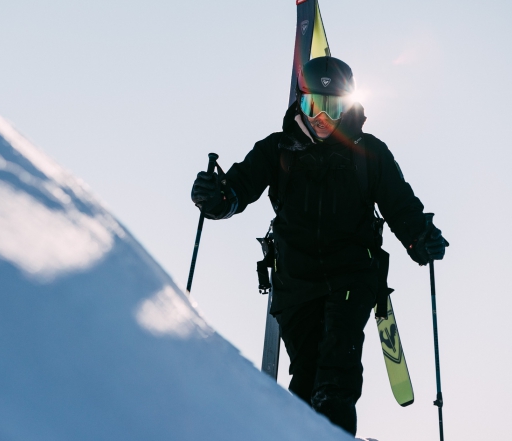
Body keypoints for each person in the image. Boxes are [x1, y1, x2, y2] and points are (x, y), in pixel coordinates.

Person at [190, 56, 447, 436]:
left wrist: (418, 238)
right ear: (301, 103)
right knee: (306, 376)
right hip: (297, 284)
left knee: (335, 378)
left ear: (347, 106)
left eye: (333, 108)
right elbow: (238, 190)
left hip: (351, 277)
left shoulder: (369, 153)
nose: (322, 120)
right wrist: (216, 197)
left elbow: (400, 206)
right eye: (314, 107)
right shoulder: (277, 150)